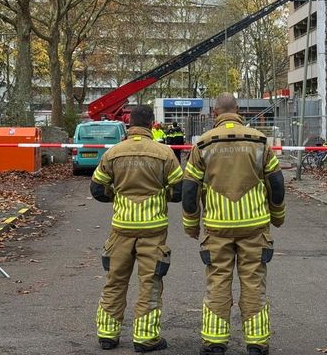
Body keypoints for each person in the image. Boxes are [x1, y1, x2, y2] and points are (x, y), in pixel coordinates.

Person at [182, 93, 285, 355]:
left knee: (218, 280)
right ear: (238, 110)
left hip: (217, 226)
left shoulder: (203, 145)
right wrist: (277, 215)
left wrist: (191, 224)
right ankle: (257, 342)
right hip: (254, 226)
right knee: (253, 282)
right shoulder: (260, 141)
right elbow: (276, 183)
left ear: (215, 113)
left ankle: (215, 342)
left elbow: (190, 189)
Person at [91, 105, 183, 352]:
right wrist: (162, 195)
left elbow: (97, 189)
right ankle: (145, 338)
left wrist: (118, 196)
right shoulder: (164, 153)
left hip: (121, 229)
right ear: (152, 124)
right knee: (150, 283)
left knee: (115, 280)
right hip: (153, 230)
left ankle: (107, 335)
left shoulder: (113, 153)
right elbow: (179, 190)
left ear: (129, 124)